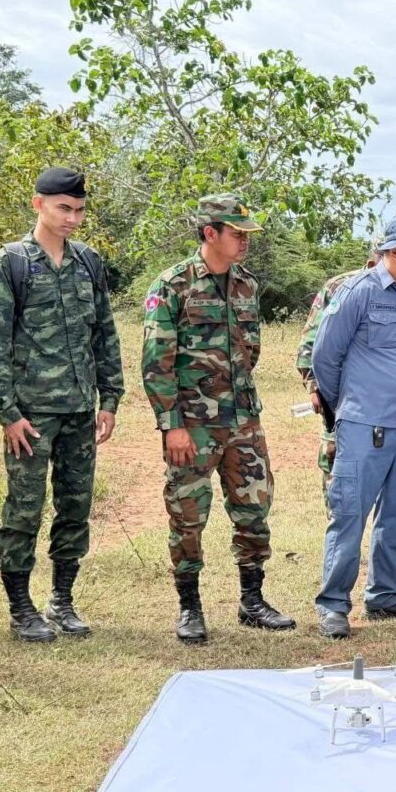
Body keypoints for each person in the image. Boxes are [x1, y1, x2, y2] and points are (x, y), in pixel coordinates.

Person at [142, 194, 295, 644]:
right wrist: (172, 425)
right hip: (192, 425)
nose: (245, 241)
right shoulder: (172, 285)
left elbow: (251, 351)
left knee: (254, 509)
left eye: (248, 234)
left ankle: (252, 600)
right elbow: (156, 363)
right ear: (210, 233)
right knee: (187, 516)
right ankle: (190, 607)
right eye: (237, 233)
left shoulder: (246, 284)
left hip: (243, 420)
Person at [0, 168, 123, 642]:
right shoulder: (11, 263)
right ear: (38, 204)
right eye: (64, 208)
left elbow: (104, 333)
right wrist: (7, 413)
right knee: (24, 510)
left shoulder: (88, 262)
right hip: (30, 415)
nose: (73, 218)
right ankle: (21, 607)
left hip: (81, 410)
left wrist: (110, 398)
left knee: (75, 507)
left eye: (79, 210)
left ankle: (62, 600)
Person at [311, 214, 396, 639]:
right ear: (394, 251)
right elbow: (325, 358)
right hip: (365, 425)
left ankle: (385, 594)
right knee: (350, 513)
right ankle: (333, 604)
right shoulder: (358, 291)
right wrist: (349, 407)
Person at [296, 246, 379, 506]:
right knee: (337, 462)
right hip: (340, 395)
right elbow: (311, 341)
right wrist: (314, 386)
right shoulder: (340, 286)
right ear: (373, 261)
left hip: (385, 400)